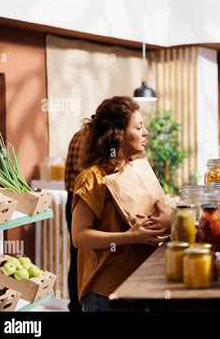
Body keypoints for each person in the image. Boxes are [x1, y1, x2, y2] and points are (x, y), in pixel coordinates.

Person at [71, 96, 171, 311]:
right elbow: (79, 236)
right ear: (118, 134)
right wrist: (129, 237)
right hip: (106, 294)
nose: (145, 133)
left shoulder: (136, 171)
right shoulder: (93, 177)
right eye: (138, 127)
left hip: (138, 285)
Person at [64, 127, 85, 312]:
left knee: (76, 255)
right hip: (80, 201)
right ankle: (78, 306)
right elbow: (85, 176)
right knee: (80, 256)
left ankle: (75, 306)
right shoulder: (89, 138)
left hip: (72, 199)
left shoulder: (78, 133)